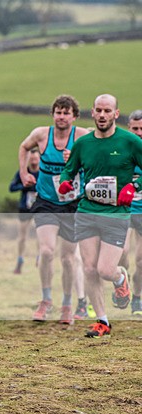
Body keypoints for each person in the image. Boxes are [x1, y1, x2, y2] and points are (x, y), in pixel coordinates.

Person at [57, 94, 142, 337]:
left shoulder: (130, 141)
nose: (102, 115)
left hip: (116, 214)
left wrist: (133, 188)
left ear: (116, 114)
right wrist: (65, 183)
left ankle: (119, 279)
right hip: (87, 211)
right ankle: (103, 321)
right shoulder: (83, 144)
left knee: (106, 270)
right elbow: (69, 170)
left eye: (107, 111)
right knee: (90, 268)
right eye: (98, 110)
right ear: (92, 113)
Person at [18, 94, 89, 325]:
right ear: (53, 114)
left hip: (72, 204)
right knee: (47, 251)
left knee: (68, 258)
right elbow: (24, 147)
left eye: (66, 113)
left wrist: (77, 158)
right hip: (46, 201)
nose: (61, 116)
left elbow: (96, 158)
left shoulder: (81, 136)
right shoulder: (41, 134)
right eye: (58, 112)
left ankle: (67, 304)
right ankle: (46, 300)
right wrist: (23, 173)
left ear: (74, 116)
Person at [123, 109, 142, 315]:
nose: (138, 133)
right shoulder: (122, 149)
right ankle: (122, 281)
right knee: (122, 253)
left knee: (141, 260)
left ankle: (137, 297)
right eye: (135, 128)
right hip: (124, 208)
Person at [9, 146, 39, 274]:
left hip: (40, 207)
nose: (33, 161)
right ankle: (20, 259)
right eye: (31, 159)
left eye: (35, 159)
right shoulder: (23, 172)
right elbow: (12, 187)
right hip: (25, 207)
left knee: (41, 235)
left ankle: (40, 257)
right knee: (22, 236)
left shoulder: (44, 172)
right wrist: (25, 185)